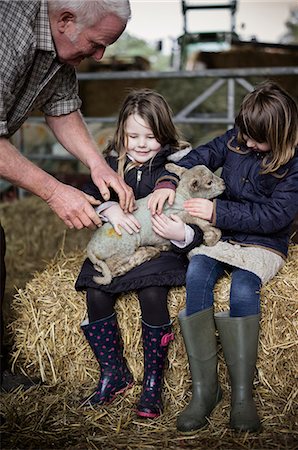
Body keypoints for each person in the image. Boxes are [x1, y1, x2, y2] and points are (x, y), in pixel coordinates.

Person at [0, 0, 134, 390]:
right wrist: (55, 192)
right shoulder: (8, 34)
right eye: (96, 44)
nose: (100, 55)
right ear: (65, 20)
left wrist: (98, 164)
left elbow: (62, 108)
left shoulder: (60, 48)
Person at [150, 80, 298, 432]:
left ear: (279, 135)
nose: (246, 144)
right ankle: (205, 391)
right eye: (243, 135)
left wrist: (217, 213)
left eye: (255, 140)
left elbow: (276, 217)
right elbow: (200, 157)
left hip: (263, 243)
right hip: (224, 236)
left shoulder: (294, 166)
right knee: (197, 271)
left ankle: (242, 398)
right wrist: (170, 182)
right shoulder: (236, 140)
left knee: (243, 290)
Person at [75, 89, 203, 418]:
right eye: (133, 136)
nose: (141, 144)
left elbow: (199, 218)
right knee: (95, 290)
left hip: (160, 249)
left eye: (150, 136)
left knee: (152, 291)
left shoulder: (176, 167)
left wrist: (181, 234)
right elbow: (89, 197)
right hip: (122, 247)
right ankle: (113, 374)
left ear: (165, 134)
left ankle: (152, 383)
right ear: (122, 134)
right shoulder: (113, 164)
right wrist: (109, 209)